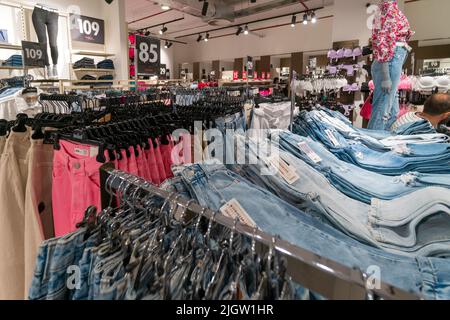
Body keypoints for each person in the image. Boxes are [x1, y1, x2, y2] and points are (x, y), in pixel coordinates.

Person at [368, 0, 414, 130]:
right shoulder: (387, 9)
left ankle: (384, 140)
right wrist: (386, 75)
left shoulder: (387, 9)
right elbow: (382, 41)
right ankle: (373, 145)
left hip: (390, 60)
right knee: (383, 108)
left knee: (391, 109)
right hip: (389, 61)